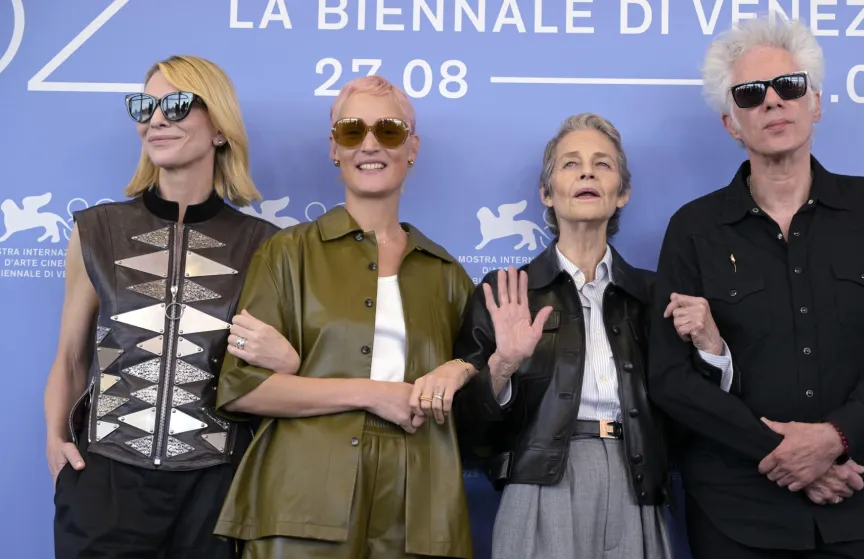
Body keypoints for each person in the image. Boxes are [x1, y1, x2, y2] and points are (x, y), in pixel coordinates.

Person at [648, 16, 864, 559]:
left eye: (789, 85)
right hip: (737, 511)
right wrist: (785, 453)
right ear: (732, 124)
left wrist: (833, 439)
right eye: (750, 93)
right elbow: (671, 378)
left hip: (859, 497)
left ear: (815, 103)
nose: (773, 101)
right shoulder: (694, 229)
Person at [211, 75, 476, 559]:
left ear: (412, 148)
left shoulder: (447, 274)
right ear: (335, 148)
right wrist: (374, 393)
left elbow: (477, 404)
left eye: (389, 130)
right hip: (300, 498)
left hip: (418, 505)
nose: (369, 144)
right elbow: (242, 388)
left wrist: (471, 367)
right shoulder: (286, 254)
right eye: (352, 131)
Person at [451, 113, 735, 559]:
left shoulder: (655, 295)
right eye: (571, 164)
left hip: (637, 482)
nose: (587, 173)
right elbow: (468, 428)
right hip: (537, 485)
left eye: (602, 164)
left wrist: (712, 349)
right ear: (546, 192)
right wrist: (503, 364)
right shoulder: (507, 292)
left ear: (622, 192)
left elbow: (696, 417)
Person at [43, 55, 279, 558]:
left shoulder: (264, 244)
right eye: (144, 106)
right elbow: (71, 356)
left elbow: (266, 371)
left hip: (215, 488)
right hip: (105, 480)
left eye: (176, 104)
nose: (155, 119)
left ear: (220, 128)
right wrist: (55, 441)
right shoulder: (96, 230)